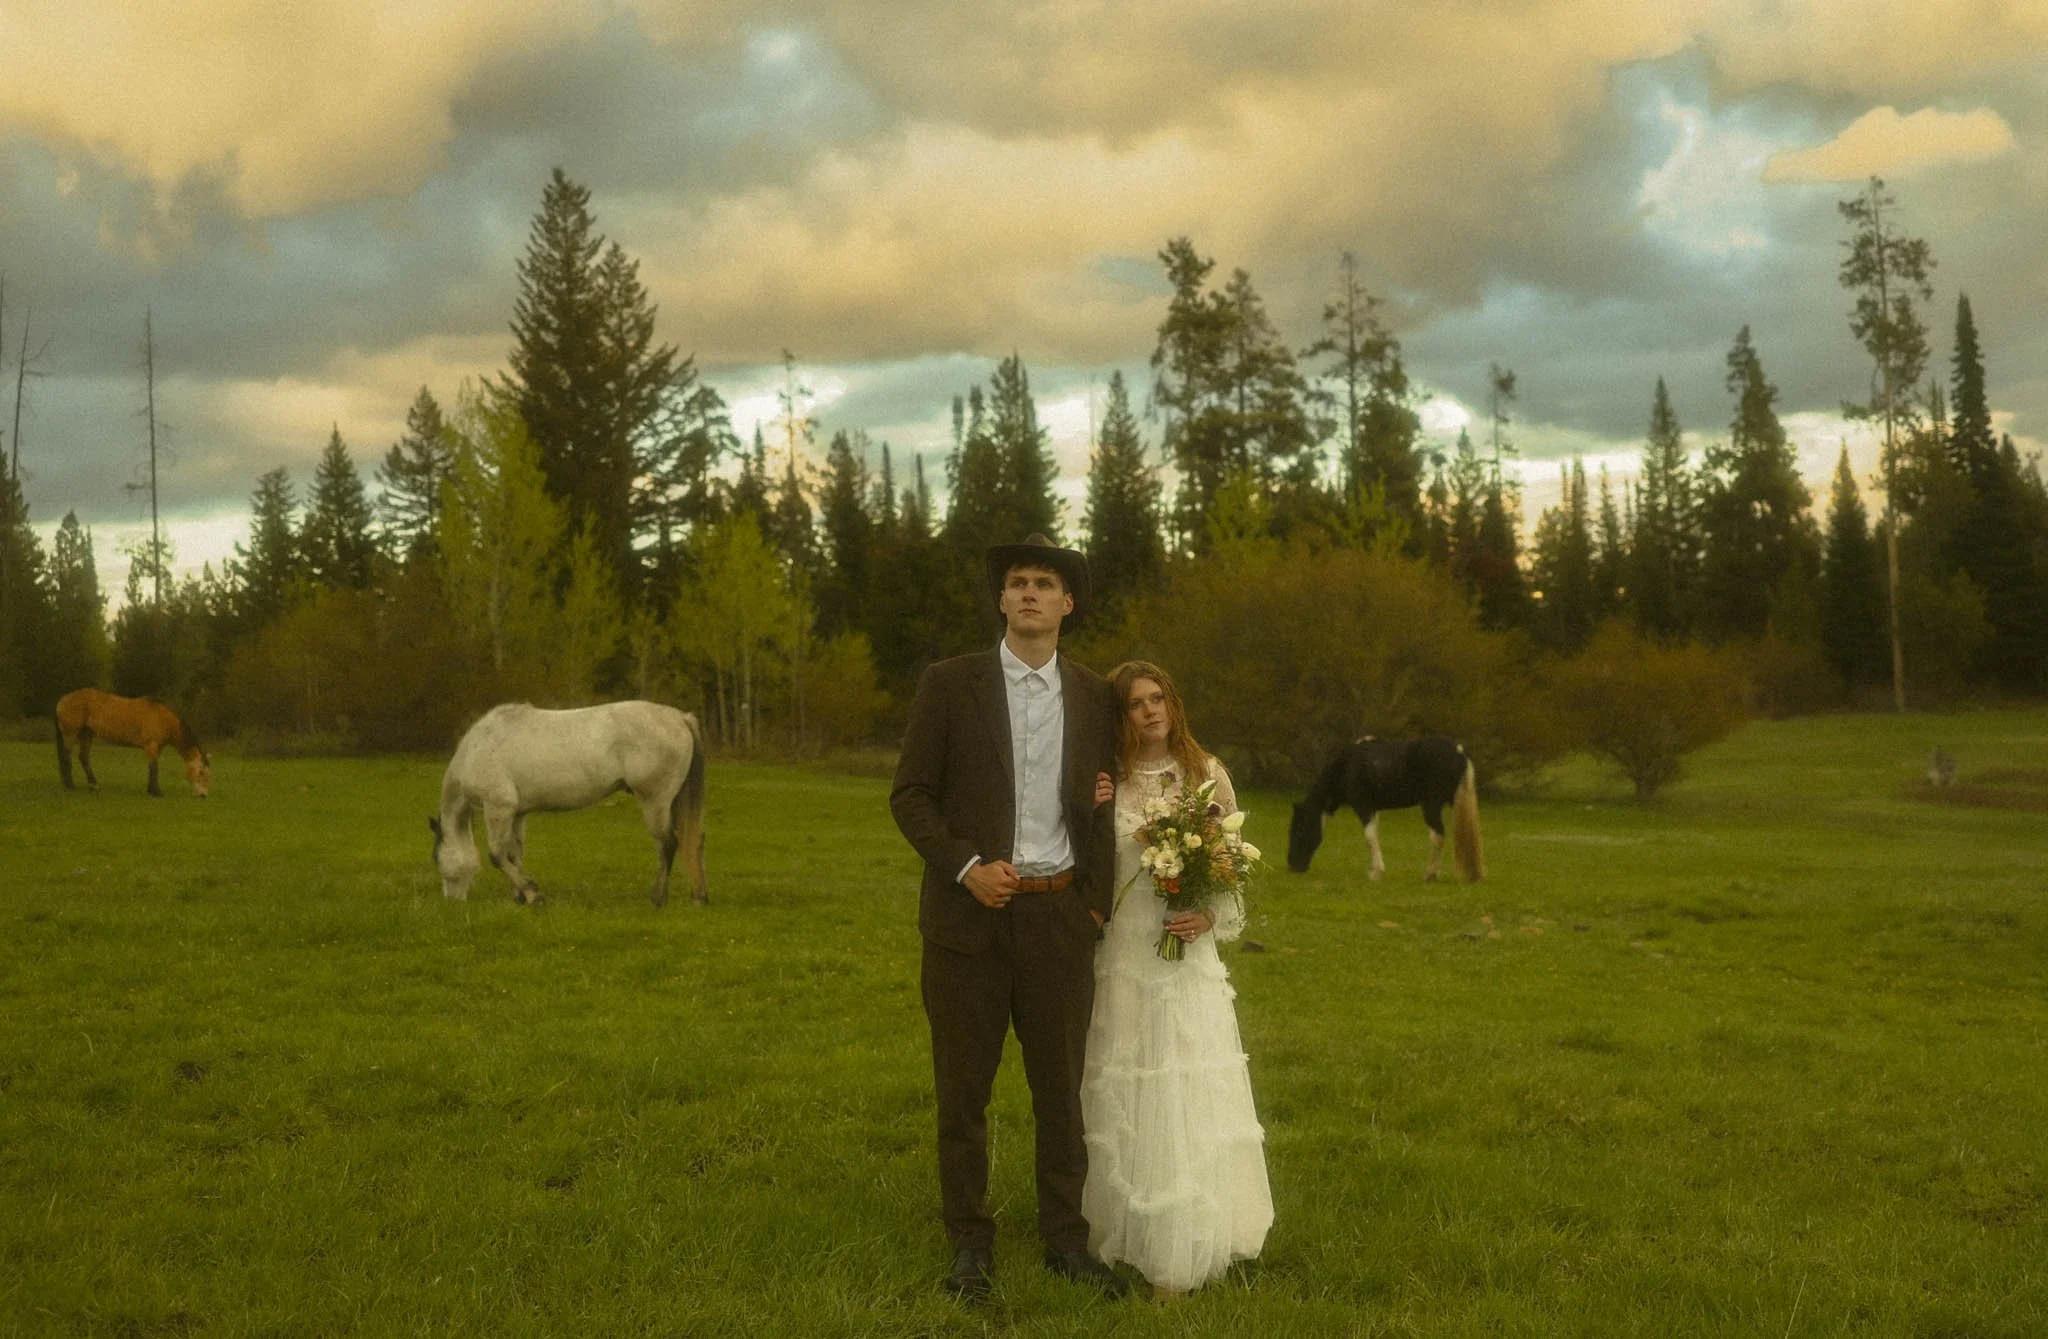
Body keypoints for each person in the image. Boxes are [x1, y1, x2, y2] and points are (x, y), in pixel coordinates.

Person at [889, 534, 1129, 1304]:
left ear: (1068, 604)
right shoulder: (949, 685)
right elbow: (910, 795)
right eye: (1017, 582)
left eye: (1045, 584)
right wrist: (965, 866)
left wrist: (1091, 904)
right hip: (968, 923)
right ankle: (969, 1242)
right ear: (1001, 600)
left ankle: (1066, 1240)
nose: (1029, 593)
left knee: (1062, 1093)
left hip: (1059, 919)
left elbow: (1106, 801)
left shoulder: (1095, 695)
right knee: (964, 1093)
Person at [1080, 659, 1272, 1299]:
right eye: (1135, 703)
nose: (1150, 711)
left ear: (1174, 703)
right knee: (1126, 1083)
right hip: (1125, 953)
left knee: (1181, 1086)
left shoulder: (1204, 774)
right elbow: (1090, 858)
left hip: (1184, 955)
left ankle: (1181, 1245)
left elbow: (1228, 868)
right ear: (1122, 715)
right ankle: (1124, 1229)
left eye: (1158, 698)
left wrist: (1204, 912)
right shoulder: (1105, 777)